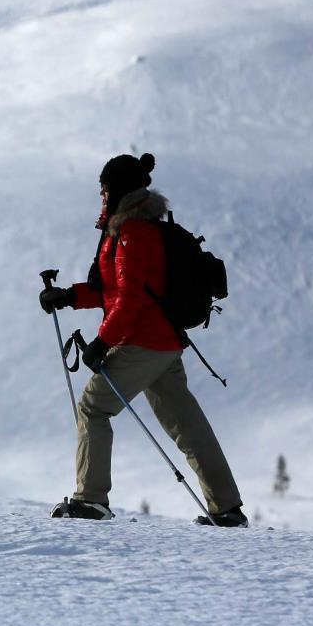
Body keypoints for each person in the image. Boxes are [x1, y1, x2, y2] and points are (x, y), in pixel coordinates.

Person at [40, 152, 248, 526]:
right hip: (163, 341)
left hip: (143, 340)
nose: (101, 197)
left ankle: (90, 500)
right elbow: (113, 291)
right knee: (187, 424)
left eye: (104, 191)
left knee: (92, 407)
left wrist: (103, 342)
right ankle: (226, 508)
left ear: (118, 192)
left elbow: (132, 298)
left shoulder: (133, 233)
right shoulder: (131, 229)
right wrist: (69, 296)